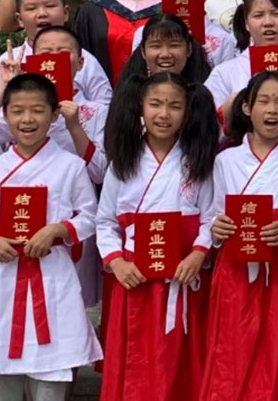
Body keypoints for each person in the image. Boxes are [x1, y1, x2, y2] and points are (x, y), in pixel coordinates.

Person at [0, 73, 102, 401]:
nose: (27, 119)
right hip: (4, 276)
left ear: (54, 115)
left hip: (52, 274)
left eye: (38, 110)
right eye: (18, 111)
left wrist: (57, 230)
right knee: (1, 369)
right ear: (5, 115)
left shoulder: (70, 166)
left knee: (52, 368)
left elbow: (90, 216)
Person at [201, 71, 278, 401]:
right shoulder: (226, 160)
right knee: (232, 348)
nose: (272, 110)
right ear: (247, 108)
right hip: (235, 269)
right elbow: (213, 212)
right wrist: (217, 228)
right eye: (264, 101)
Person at [96, 72, 217, 401]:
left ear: (188, 112)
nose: (164, 114)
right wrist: (116, 262)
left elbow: (211, 217)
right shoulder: (123, 162)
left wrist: (198, 254)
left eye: (175, 106)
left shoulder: (198, 163)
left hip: (182, 272)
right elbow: (105, 221)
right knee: (136, 360)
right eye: (156, 104)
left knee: (181, 361)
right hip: (134, 275)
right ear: (141, 106)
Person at [0, 28, 110, 185]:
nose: (54, 58)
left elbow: (100, 174)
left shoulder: (98, 111)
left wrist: (75, 127)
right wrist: (4, 84)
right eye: (46, 53)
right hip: (21, 191)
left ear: (80, 62)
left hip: (69, 194)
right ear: (34, 61)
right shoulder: (21, 111)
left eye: (64, 52)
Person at [0, 0, 114, 104]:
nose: (42, 14)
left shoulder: (83, 59)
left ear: (65, 13)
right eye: (31, 8)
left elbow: (105, 107)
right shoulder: (7, 62)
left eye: (50, 6)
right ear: (20, 19)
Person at [122, 14, 212, 85]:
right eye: (156, 46)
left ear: (188, 49)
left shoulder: (206, 92)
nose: (165, 54)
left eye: (174, 45)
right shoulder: (131, 96)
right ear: (143, 51)